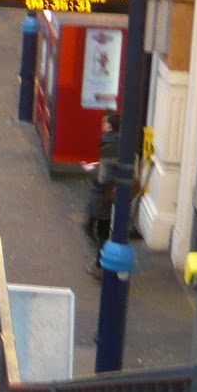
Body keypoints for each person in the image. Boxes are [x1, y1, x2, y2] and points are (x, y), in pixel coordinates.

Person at [84, 114, 121, 276]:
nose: (102, 125)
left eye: (104, 123)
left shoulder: (108, 144)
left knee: (103, 233)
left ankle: (99, 267)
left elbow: (104, 177)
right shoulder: (120, 141)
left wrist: (92, 170)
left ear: (109, 126)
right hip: (111, 192)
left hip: (103, 194)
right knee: (102, 230)